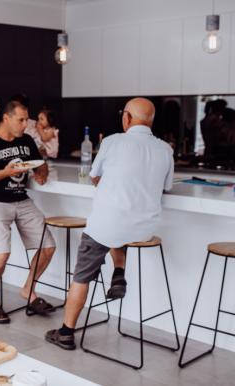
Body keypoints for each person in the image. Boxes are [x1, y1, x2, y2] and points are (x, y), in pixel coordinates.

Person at [45, 97, 174, 350]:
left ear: (126, 117)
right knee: (121, 229)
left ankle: (66, 332)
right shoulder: (165, 149)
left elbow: (94, 176)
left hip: (107, 228)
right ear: (151, 121)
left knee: (82, 275)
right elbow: (166, 187)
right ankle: (118, 273)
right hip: (144, 231)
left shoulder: (112, 142)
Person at [0, 100, 56, 324]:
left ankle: (28, 290)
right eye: (21, 120)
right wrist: (5, 172)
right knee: (1, 254)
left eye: (26, 119)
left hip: (21, 198)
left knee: (48, 246)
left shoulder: (27, 140)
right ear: (6, 118)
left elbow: (39, 164)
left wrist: (41, 172)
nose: (25, 124)